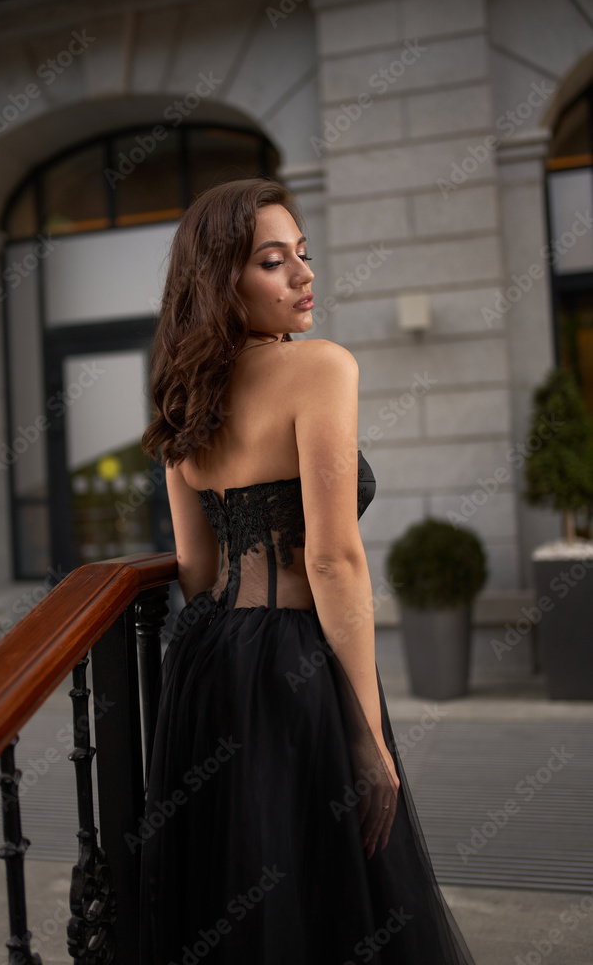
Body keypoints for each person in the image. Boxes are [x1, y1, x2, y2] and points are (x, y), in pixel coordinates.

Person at [138, 178, 476, 964]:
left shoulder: (183, 397)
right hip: (297, 660)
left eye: (302, 255)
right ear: (221, 280)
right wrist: (365, 732)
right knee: (334, 880)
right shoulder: (321, 367)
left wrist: (225, 651)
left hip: (208, 664)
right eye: (271, 261)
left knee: (243, 882)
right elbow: (330, 556)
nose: (302, 275)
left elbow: (194, 566)